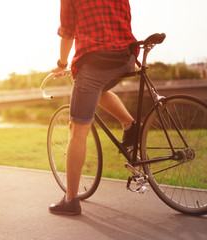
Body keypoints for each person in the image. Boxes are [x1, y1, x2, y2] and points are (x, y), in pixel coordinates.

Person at [49, 0, 139, 215]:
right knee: (97, 91)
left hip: (96, 59)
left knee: (77, 131)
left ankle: (70, 200)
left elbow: (68, 32)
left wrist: (62, 64)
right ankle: (130, 124)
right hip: (127, 57)